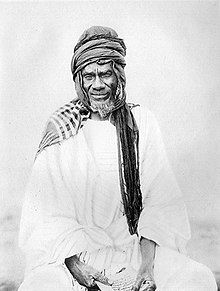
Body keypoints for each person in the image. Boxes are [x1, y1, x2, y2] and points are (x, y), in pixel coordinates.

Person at [18, 26, 217, 291]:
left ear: (119, 76)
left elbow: (160, 204)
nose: (97, 84)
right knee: (38, 286)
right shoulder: (61, 131)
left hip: (134, 251)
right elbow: (44, 217)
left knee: (198, 279)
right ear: (79, 79)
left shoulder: (141, 122)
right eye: (89, 75)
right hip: (77, 256)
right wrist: (81, 270)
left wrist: (146, 271)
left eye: (105, 74)